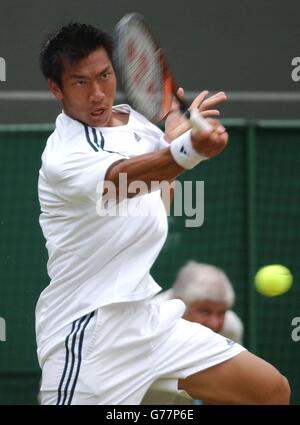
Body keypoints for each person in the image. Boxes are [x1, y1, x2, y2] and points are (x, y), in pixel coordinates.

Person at [36, 22, 290, 405]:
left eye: (104, 75)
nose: (97, 92)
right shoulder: (64, 156)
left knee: (269, 392)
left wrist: (177, 132)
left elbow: (160, 187)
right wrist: (189, 149)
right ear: (57, 89)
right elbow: (125, 179)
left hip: (148, 322)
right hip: (88, 336)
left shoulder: (133, 123)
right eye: (80, 82)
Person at [141, 261, 244, 404]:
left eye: (221, 313)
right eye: (205, 311)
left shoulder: (231, 327)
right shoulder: (150, 326)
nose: (215, 323)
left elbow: (227, 386)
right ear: (180, 303)